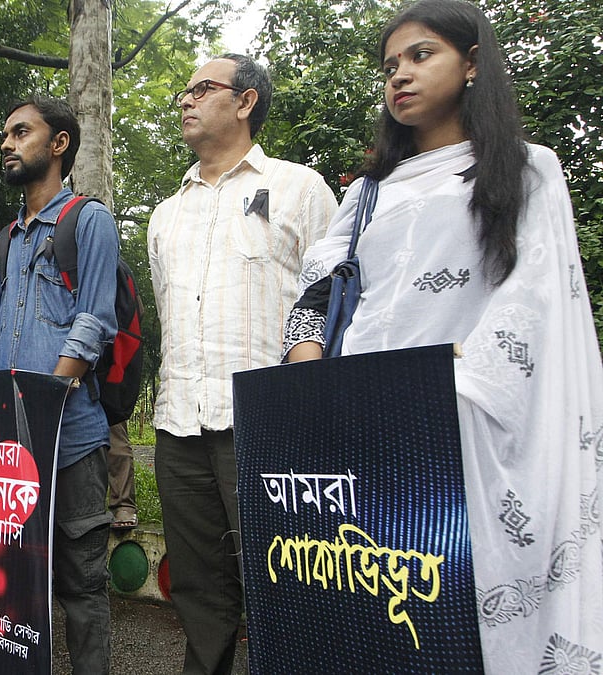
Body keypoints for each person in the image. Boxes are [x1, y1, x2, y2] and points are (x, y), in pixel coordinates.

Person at [283, 1, 603, 670]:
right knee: (380, 604)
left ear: (472, 63)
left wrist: (450, 380)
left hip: (465, 425)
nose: (399, 75)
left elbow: (534, 296)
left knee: (464, 607)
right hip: (361, 423)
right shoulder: (369, 193)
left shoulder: (527, 168)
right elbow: (319, 289)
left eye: (420, 55)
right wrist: (307, 370)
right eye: (389, 66)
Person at [148, 53, 337, 673]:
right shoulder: (166, 213)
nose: (186, 99)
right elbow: (169, 313)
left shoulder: (300, 188)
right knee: (198, 587)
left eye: (202, 88)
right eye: (184, 91)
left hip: (269, 423)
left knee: (289, 581)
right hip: (179, 424)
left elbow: (329, 300)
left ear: (246, 101)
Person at [0, 95, 119, 675]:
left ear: (58, 144)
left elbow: (94, 322)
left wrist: (44, 404)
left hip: (73, 437)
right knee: (5, 570)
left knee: (82, 579)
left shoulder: (89, 220)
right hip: (7, 446)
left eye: (20, 132)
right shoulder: (6, 241)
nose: (6, 144)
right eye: (5, 134)